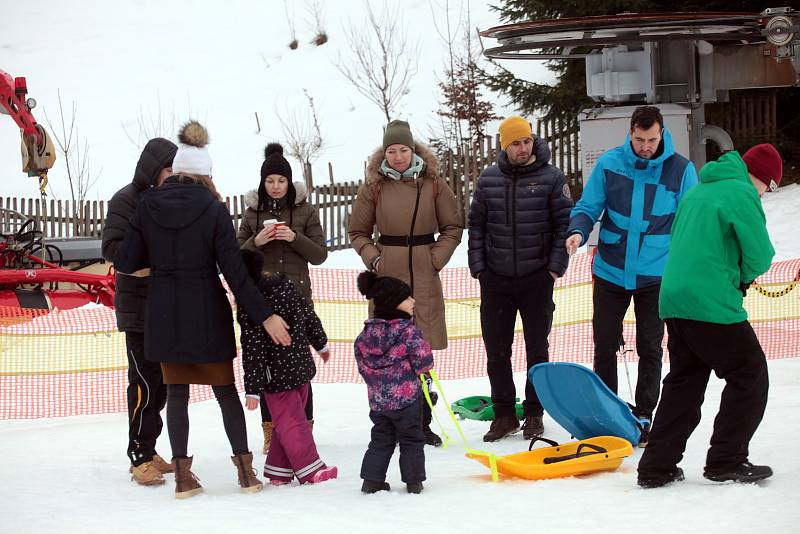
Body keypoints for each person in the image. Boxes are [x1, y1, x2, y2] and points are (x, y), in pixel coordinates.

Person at [114, 120, 291, 499]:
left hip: (162, 316)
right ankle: (246, 475)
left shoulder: (146, 205)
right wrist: (267, 315)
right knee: (225, 392)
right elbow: (236, 275)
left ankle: (182, 480)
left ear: (176, 172)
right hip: (207, 314)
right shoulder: (213, 210)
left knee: (177, 393)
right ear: (206, 174)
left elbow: (126, 261)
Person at [637, 144, 781, 488]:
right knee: (750, 373)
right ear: (762, 177)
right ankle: (726, 460)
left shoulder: (699, 190)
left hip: (674, 298)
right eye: (770, 187)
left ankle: (656, 467)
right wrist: (742, 278)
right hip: (710, 300)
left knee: (684, 381)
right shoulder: (741, 193)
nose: (765, 194)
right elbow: (761, 255)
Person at [565, 106, 698, 443]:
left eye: (651, 139)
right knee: (604, 344)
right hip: (610, 271)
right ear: (630, 134)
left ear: (662, 133)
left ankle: (644, 413)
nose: (645, 146)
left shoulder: (681, 170)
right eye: (639, 140)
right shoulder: (610, 163)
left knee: (650, 347)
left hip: (656, 275)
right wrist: (578, 231)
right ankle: (606, 410)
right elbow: (588, 206)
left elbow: (691, 223)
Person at [348, 119, 463, 447]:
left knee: (420, 352)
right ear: (384, 153)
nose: (397, 156)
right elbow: (357, 232)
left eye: (403, 149)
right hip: (388, 278)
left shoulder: (434, 184)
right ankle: (391, 422)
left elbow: (453, 226)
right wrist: (375, 259)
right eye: (391, 150)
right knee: (389, 354)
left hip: (424, 276)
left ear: (413, 150)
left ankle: (422, 422)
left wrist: (435, 258)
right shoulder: (373, 186)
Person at [468, 115, 573, 442]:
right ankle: (503, 416)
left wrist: (554, 267)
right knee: (497, 351)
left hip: (537, 278)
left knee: (537, 349)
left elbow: (564, 226)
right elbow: (476, 227)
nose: (523, 148)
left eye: (526, 141)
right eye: (516, 143)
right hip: (496, 279)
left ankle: (533, 413)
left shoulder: (552, 178)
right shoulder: (488, 180)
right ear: (505, 145)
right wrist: (479, 268)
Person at [237, 142, 327, 454]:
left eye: (281, 181)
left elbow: (320, 255)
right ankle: (271, 432)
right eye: (270, 181)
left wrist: (295, 237)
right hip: (262, 304)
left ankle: (305, 428)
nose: (275, 187)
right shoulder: (252, 214)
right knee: (267, 369)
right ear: (262, 184)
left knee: (301, 366)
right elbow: (236, 258)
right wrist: (256, 241)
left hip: (298, 300)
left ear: (289, 183)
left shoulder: (306, 211)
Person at [102, 137, 177, 486]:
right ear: (153, 168)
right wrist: (151, 263)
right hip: (137, 307)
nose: (172, 174)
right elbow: (112, 249)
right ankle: (138, 455)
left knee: (161, 385)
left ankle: (149, 447)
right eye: (168, 168)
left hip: (165, 305)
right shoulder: (125, 200)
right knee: (145, 383)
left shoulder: (167, 199)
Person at [238, 249, 337, 485]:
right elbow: (308, 315)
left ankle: (309, 470)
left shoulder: (250, 304)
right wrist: (320, 343)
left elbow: (253, 350)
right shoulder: (284, 285)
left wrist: (253, 388)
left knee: (291, 423)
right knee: (291, 421)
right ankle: (280, 470)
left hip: (277, 377)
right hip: (300, 365)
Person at [355, 271, 434, 494]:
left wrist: (378, 384)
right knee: (411, 439)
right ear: (395, 304)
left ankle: (371, 480)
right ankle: (414, 482)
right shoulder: (409, 332)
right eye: (408, 298)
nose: (413, 301)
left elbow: (362, 366)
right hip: (407, 401)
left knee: (381, 439)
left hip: (379, 402)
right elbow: (424, 361)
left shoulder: (364, 336)